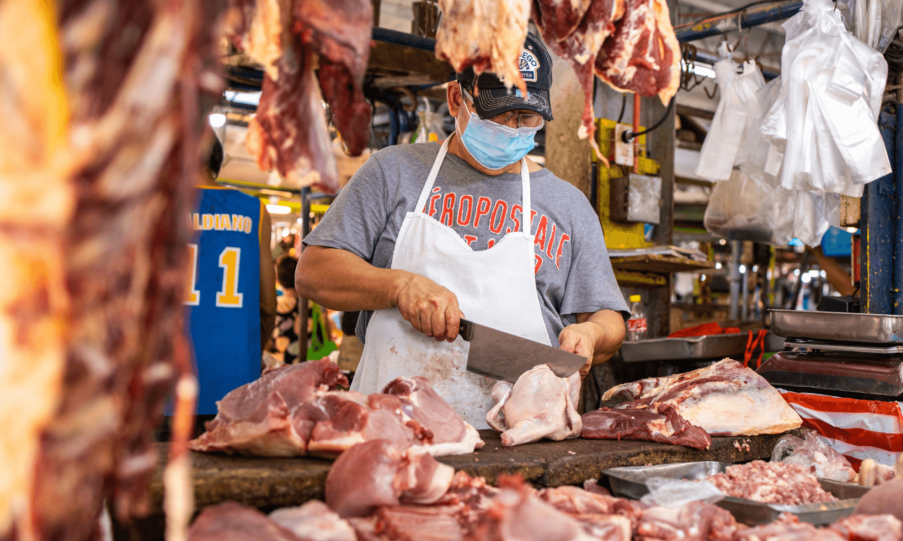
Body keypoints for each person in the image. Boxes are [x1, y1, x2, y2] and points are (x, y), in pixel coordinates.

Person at [296, 32, 627, 429]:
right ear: (456, 98)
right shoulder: (392, 172)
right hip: (393, 430)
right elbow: (314, 272)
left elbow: (609, 319)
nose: (512, 128)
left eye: (526, 118)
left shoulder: (568, 205)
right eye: (498, 115)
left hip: (518, 438)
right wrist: (399, 286)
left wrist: (591, 333)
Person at [188, 134, 277, 415]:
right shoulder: (255, 211)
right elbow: (268, 304)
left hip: (168, 376)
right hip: (235, 375)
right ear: (217, 160)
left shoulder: (156, 207)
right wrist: (251, 351)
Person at [274, 255, 301, 364]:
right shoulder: (313, 304)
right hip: (311, 365)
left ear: (278, 278)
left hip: (283, 367)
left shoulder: (275, 306)